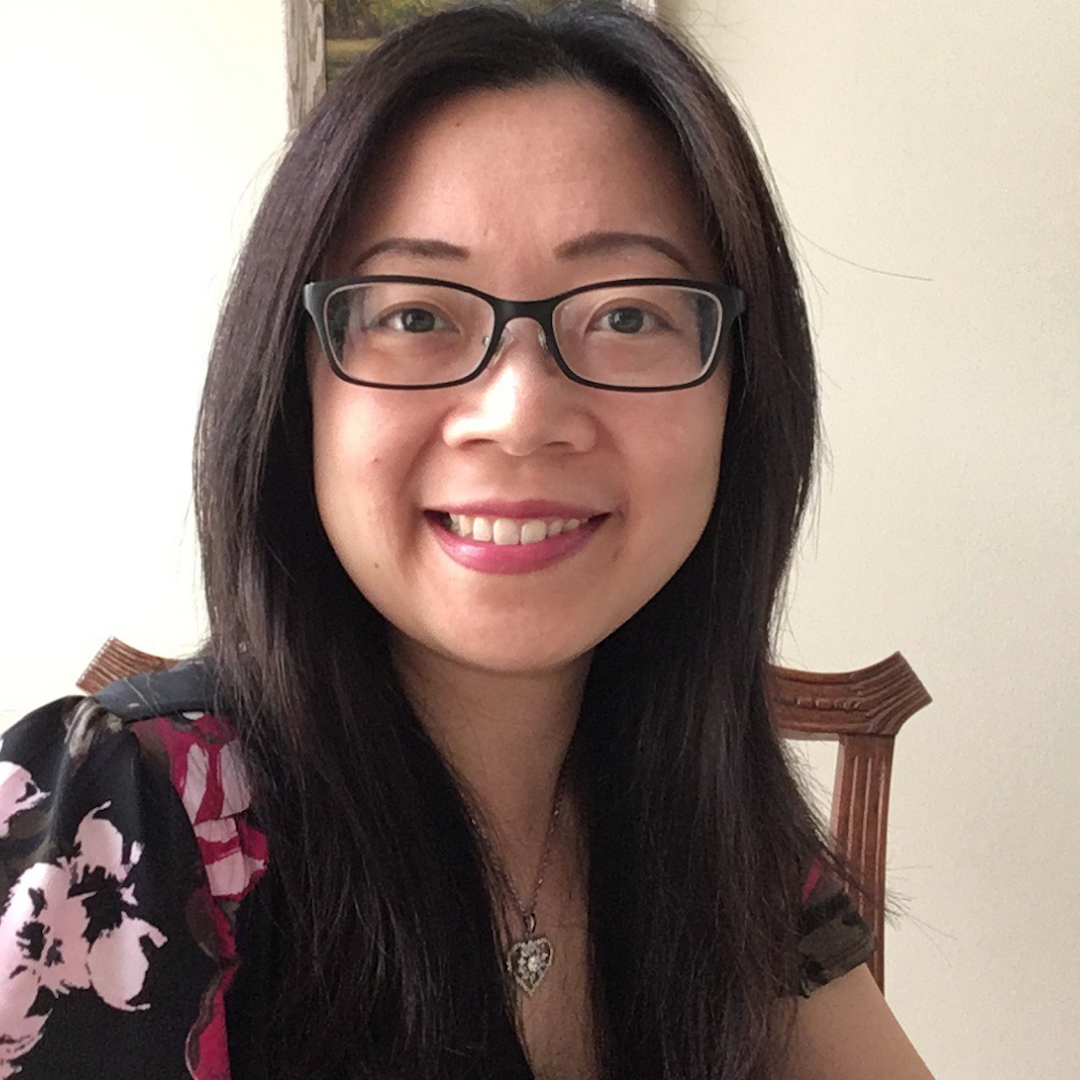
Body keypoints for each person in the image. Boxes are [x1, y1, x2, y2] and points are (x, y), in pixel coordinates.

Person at [0, 3, 936, 1078]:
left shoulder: (720, 823)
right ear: (295, 394)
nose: (520, 414)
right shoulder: (116, 831)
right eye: (414, 315)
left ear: (746, 393)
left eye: (628, 315)